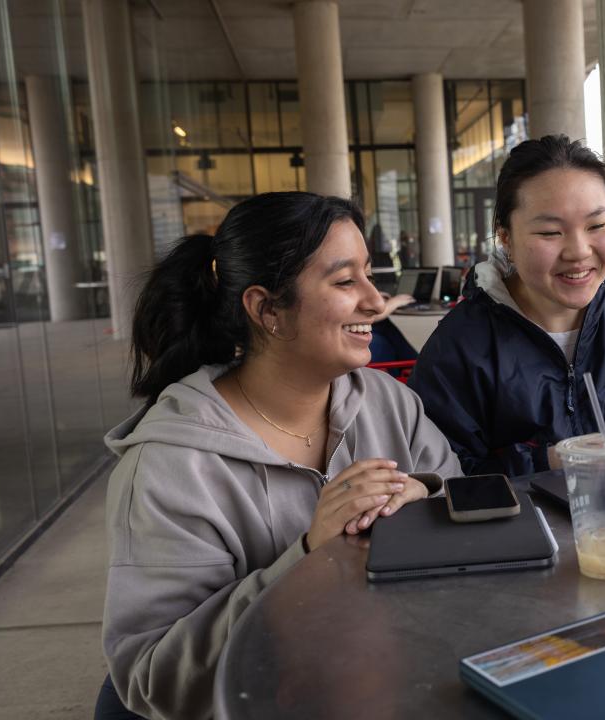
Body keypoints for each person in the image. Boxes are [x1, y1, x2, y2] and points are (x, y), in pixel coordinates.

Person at [100, 192, 460, 720]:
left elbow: (457, 502)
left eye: (369, 273)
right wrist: (311, 555)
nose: (376, 301)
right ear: (267, 309)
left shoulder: (389, 403)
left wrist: (425, 497)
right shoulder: (168, 468)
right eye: (344, 281)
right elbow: (154, 680)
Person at [409, 135, 605, 477]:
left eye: (597, 225)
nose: (578, 251)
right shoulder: (461, 346)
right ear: (506, 238)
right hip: (519, 529)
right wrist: (546, 462)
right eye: (550, 232)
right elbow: (436, 478)